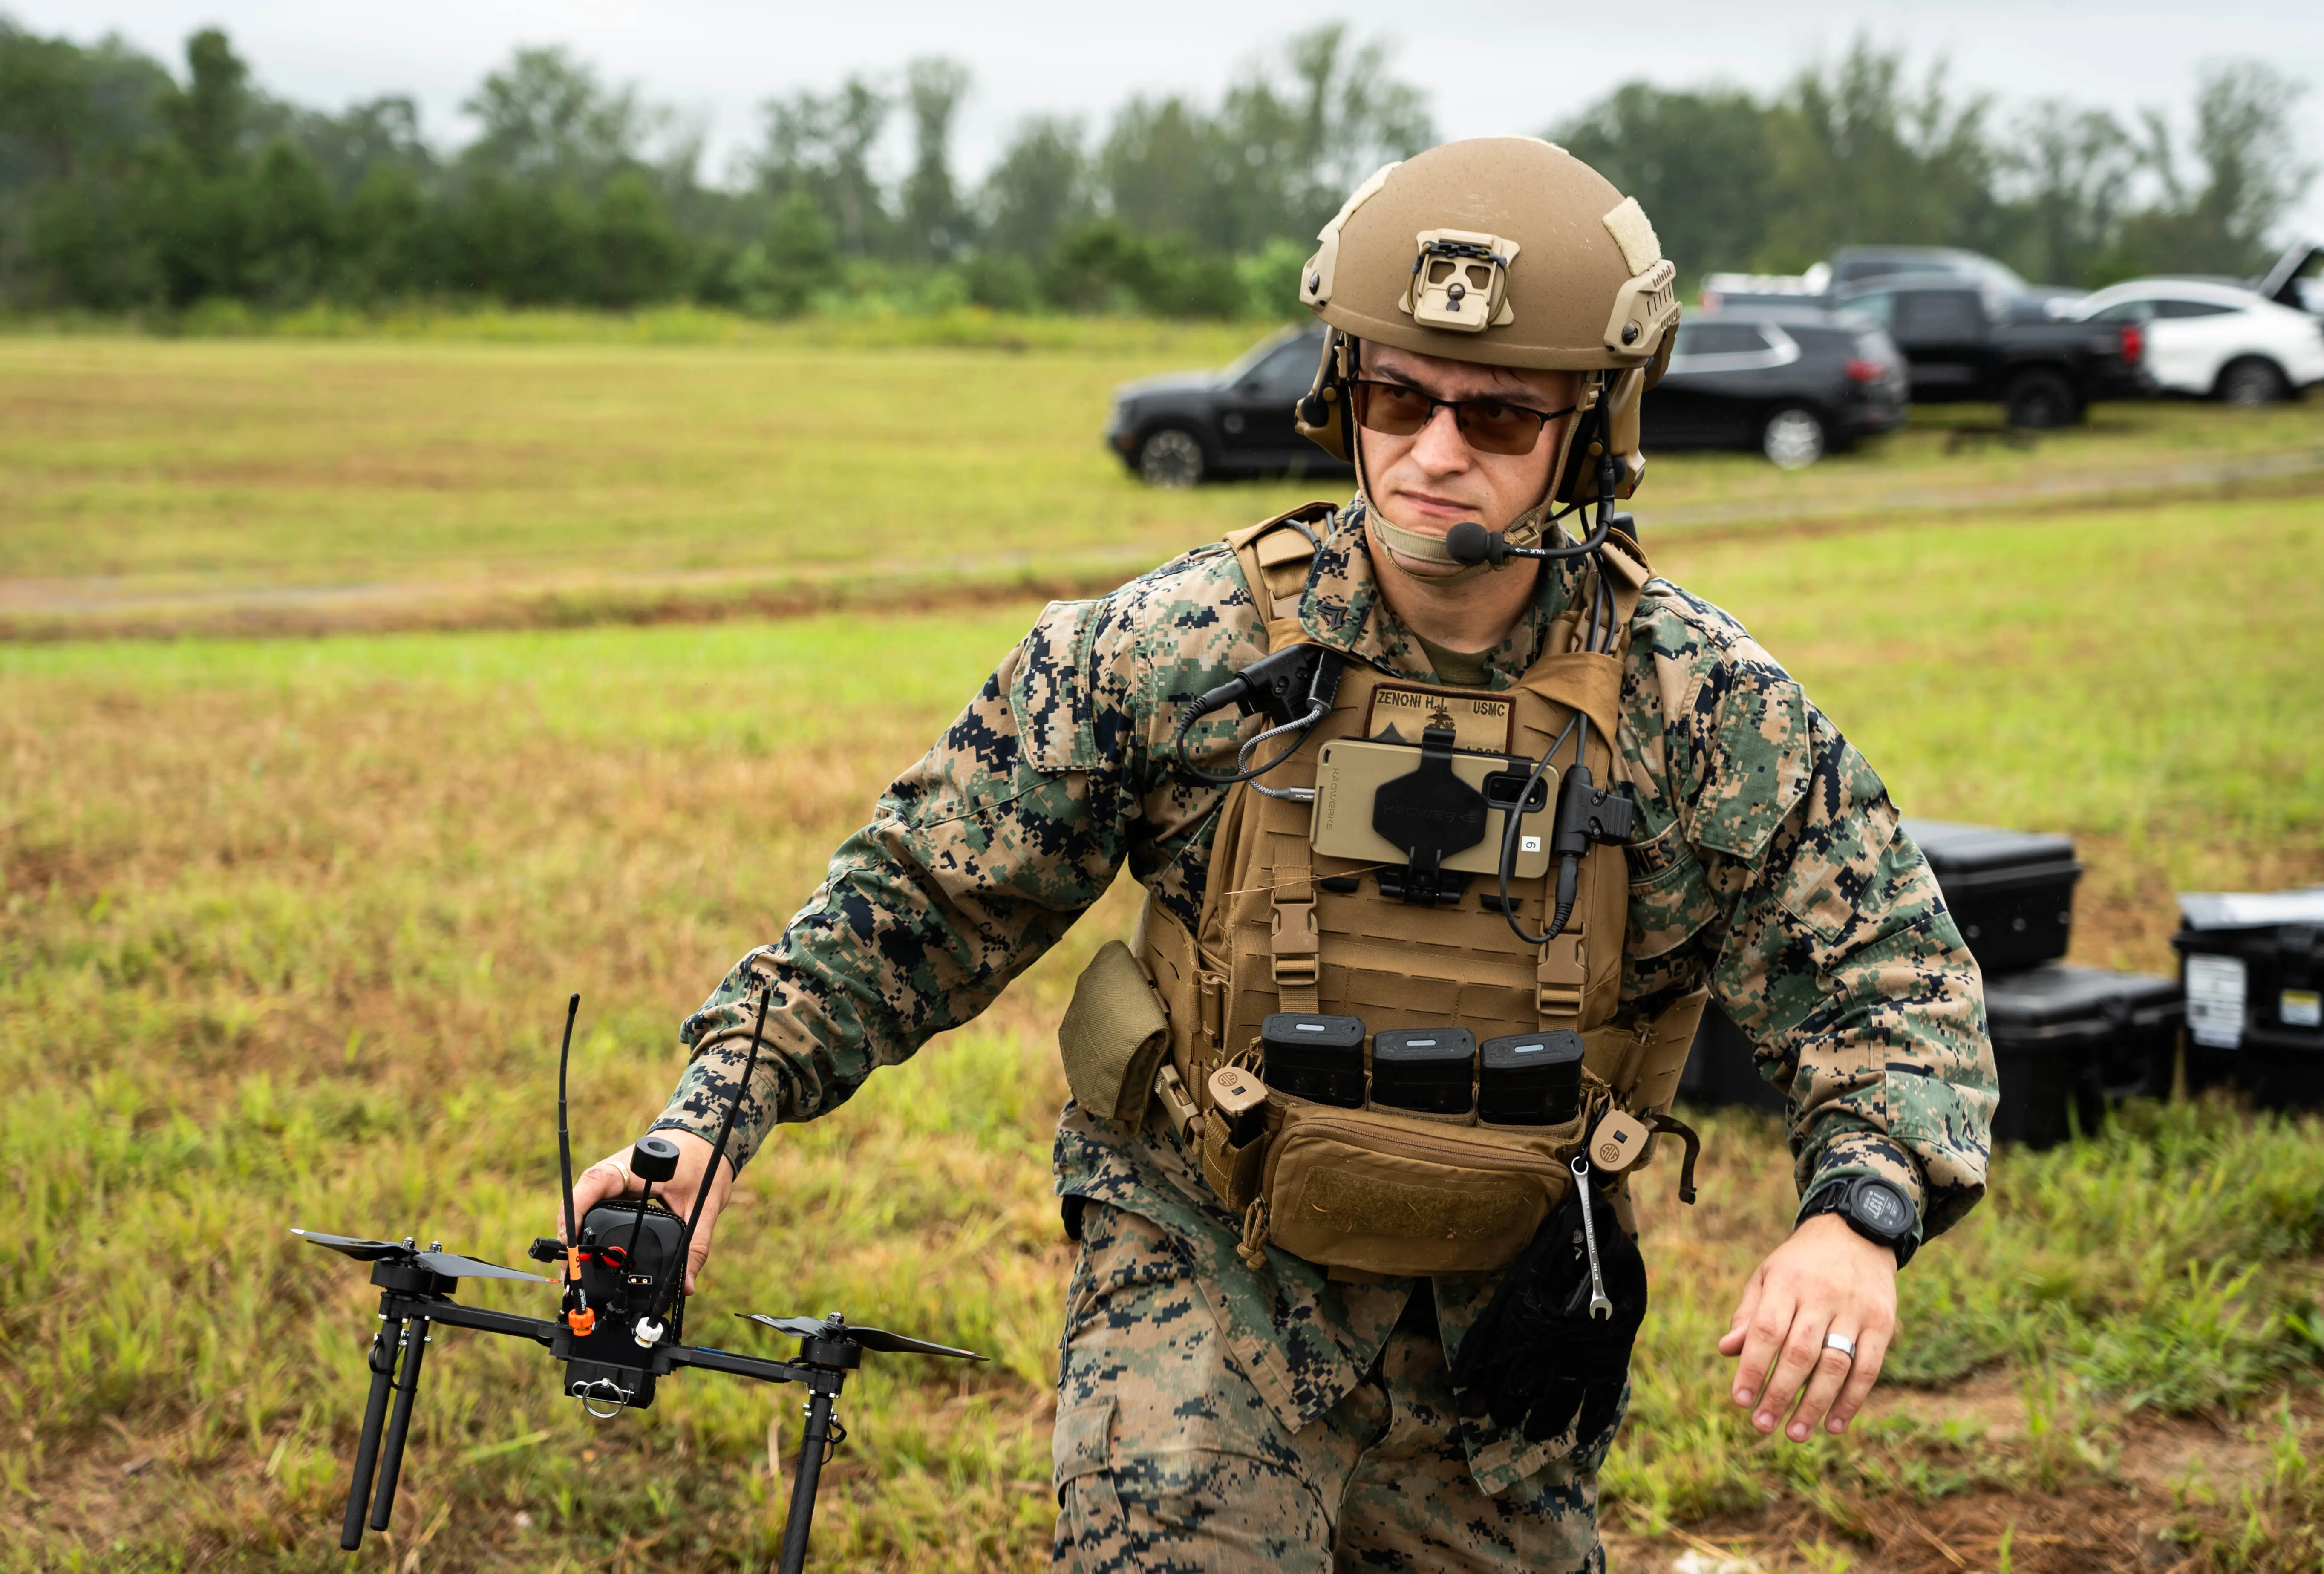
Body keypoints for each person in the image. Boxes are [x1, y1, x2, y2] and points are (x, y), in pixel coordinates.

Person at [569, 138, 1997, 1572]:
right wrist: (704, 1124)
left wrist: (1859, 1213)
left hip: (1505, 1307)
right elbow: (918, 899)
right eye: (1395, 396)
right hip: (1208, 1257)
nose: (1435, 452)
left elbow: (1886, 977)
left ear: (1591, 424)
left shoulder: (1697, 707)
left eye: (1499, 417)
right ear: (1342, 389)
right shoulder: (1179, 650)